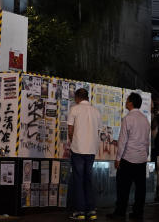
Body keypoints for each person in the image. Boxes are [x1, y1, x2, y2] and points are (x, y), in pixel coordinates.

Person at [109, 93, 151, 220]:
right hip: (141, 159)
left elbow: (122, 141)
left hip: (128, 158)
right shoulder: (145, 119)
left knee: (123, 188)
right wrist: (145, 155)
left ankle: (120, 212)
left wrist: (118, 159)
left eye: (127, 100)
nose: (126, 102)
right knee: (140, 189)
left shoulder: (128, 118)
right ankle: (138, 212)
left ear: (131, 103)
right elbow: (147, 141)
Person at [68, 87, 102, 221]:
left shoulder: (74, 109)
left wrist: (74, 141)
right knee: (88, 179)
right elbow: (98, 131)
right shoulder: (96, 111)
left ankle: (80, 211)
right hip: (91, 151)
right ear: (87, 97)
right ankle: (92, 210)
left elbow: (70, 130)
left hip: (78, 150)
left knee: (78, 180)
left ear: (77, 98)